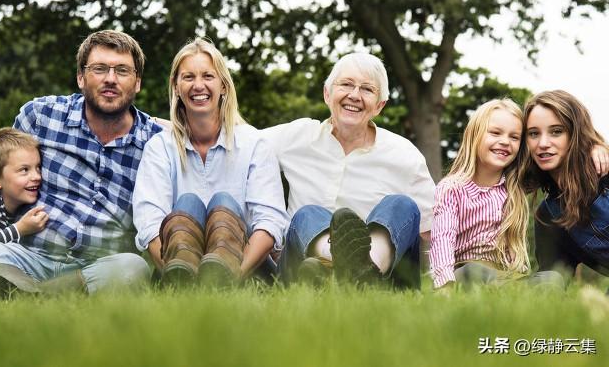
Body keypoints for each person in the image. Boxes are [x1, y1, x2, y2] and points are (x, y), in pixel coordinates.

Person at [0, 30, 163, 294]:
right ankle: (42, 292)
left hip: (98, 266)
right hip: (28, 257)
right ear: (81, 78)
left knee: (133, 268)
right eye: (99, 68)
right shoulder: (41, 116)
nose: (110, 79)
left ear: (137, 82)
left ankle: (30, 294)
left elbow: (213, 124)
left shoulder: (156, 142)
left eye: (122, 70)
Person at [261, 53, 435, 288]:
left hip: (385, 282)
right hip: (301, 268)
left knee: (402, 205)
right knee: (307, 214)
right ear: (327, 94)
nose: (354, 95)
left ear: (379, 106)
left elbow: (436, 231)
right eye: (346, 84)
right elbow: (240, 143)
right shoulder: (295, 136)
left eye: (367, 89)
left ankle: (365, 270)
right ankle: (354, 271)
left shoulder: (404, 155)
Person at [132, 38, 288, 287]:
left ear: (224, 85)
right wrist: (176, 274)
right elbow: (149, 222)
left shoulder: (253, 143)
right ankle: (185, 280)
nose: (198, 85)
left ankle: (217, 277)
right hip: (179, 268)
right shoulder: (160, 147)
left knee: (222, 202)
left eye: (208, 76)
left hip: (245, 267)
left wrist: (232, 277)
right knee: (188, 204)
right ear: (176, 87)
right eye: (188, 77)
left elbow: (270, 221)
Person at [429, 99, 531, 288]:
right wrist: (445, 284)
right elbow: (442, 238)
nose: (505, 142)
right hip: (465, 271)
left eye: (514, 137)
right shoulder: (452, 188)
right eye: (495, 133)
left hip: (503, 276)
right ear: (474, 136)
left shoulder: (513, 192)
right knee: (474, 272)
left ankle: (514, 294)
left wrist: (596, 146)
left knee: (552, 278)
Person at [520, 90, 609, 281]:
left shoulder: (605, 176)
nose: (543, 143)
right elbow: (552, 280)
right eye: (533, 133)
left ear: (575, 134)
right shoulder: (548, 216)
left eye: (556, 131)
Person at [0, 128, 48, 243]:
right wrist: (19, 229)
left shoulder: (15, 210)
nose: (37, 176)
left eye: (38, 168)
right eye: (24, 169)